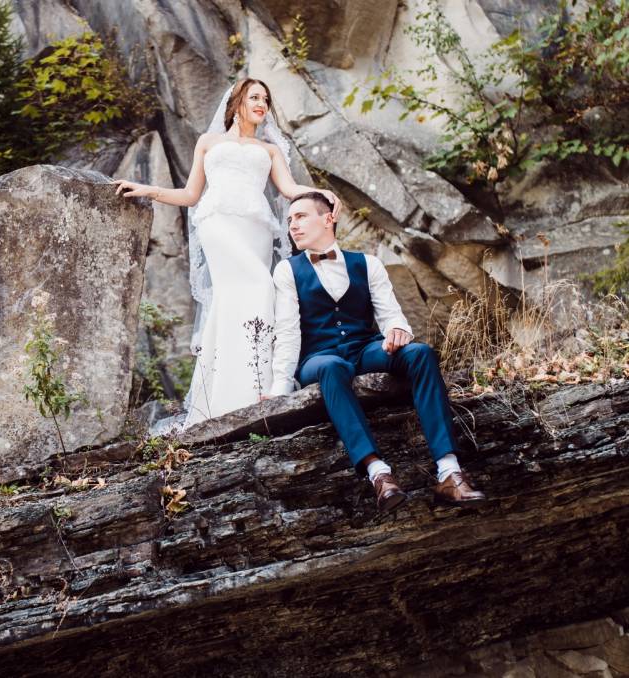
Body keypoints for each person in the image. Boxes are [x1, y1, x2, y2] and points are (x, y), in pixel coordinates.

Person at [113, 78, 340, 427]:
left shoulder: (269, 150)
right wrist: (148, 190)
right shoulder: (208, 142)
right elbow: (190, 195)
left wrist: (322, 192)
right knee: (260, 286)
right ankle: (244, 394)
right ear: (236, 103)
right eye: (254, 97)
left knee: (241, 301)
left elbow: (289, 188)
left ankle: (240, 396)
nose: (262, 104)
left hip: (256, 230)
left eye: (266, 99)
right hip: (217, 223)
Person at [266, 192, 486, 512]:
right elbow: (287, 333)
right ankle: (379, 474)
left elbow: (391, 316)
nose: (292, 226)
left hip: (364, 348)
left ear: (328, 219)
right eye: (289, 220)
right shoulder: (287, 270)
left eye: (300, 217)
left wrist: (398, 331)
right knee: (332, 367)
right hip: (318, 357)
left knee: (420, 353)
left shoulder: (368, 263)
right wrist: (280, 390)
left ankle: (449, 472)